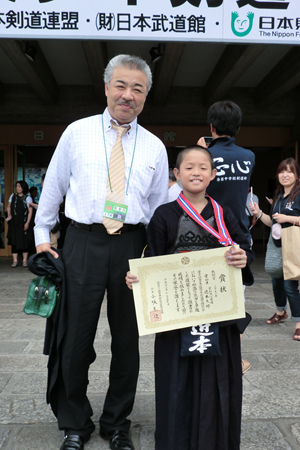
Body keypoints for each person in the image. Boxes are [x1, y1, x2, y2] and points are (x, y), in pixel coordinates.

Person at [34, 54, 169, 450]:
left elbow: (160, 207)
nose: (128, 95)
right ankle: (75, 422)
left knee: (127, 341)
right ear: (107, 88)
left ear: (146, 96)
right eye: (121, 86)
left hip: (134, 245)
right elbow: (54, 187)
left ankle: (116, 423)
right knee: (74, 338)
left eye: (137, 89)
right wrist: (43, 236)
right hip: (82, 241)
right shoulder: (77, 132)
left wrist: (157, 257)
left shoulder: (155, 147)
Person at [126, 145, 254, 450]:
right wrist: (137, 279)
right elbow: (152, 259)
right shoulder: (164, 215)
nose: (196, 172)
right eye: (188, 167)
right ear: (176, 174)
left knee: (216, 382)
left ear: (213, 174)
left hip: (218, 315)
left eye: (202, 168)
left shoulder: (224, 213)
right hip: (177, 314)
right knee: (176, 383)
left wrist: (242, 258)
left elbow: (245, 248)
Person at [198, 100, 255, 374]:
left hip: (206, 234)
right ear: (238, 128)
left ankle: (205, 354)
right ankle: (234, 358)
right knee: (235, 301)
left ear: (211, 126)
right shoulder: (249, 157)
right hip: (237, 237)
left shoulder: (205, 157)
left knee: (205, 298)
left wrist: (200, 151)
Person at [250, 157, 300, 341]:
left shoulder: (299, 194)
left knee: (290, 285)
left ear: (296, 175)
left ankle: (298, 323)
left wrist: (289, 219)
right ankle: (281, 311)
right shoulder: (279, 195)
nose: (285, 175)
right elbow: (272, 222)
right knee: (276, 281)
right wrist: (259, 213)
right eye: (281, 171)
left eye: (289, 171)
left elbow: (287, 220)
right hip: (277, 244)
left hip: (293, 245)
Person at [6, 180, 33, 267]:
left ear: (23, 188)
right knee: (14, 241)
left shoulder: (28, 198)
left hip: (24, 222)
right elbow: (9, 206)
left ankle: (25, 260)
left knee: (24, 241)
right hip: (14, 222)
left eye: (20, 186)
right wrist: (9, 214)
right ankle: (15, 261)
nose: (18, 188)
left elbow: (30, 211)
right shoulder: (12, 196)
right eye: (17, 186)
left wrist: (27, 223)